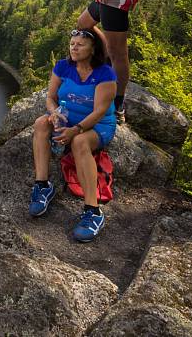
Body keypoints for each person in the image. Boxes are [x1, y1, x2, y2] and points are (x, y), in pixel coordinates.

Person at [28, 29, 117, 242]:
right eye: (72, 43)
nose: (74, 48)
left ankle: (93, 211)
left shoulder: (105, 74)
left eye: (80, 44)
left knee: (79, 142)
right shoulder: (63, 66)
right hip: (67, 119)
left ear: (93, 48)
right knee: (41, 123)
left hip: (98, 125)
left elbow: (99, 112)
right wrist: (55, 114)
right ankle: (42, 186)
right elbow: (51, 97)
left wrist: (75, 130)